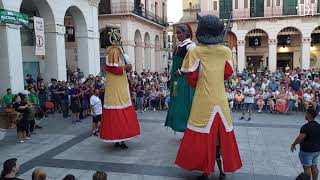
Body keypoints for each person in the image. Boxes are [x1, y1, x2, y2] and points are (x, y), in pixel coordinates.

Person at [175, 15, 242, 179]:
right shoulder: (226, 51)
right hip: (220, 99)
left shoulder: (195, 51)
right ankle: (222, 172)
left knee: (204, 137)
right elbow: (227, 73)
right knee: (220, 139)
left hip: (203, 101)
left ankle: (206, 171)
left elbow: (191, 77)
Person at [100, 32, 140, 149]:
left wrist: (127, 68)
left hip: (120, 85)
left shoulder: (118, 51)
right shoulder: (113, 51)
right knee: (117, 109)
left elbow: (118, 67)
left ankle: (121, 139)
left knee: (121, 108)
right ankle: (118, 139)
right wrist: (125, 68)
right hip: (116, 86)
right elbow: (113, 68)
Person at [165, 23, 196, 133]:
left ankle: (186, 128)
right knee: (175, 101)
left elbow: (193, 62)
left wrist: (181, 71)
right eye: (176, 33)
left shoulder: (191, 46)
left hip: (184, 80)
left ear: (186, 33)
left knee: (183, 104)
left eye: (179, 32)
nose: (177, 35)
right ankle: (178, 126)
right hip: (175, 81)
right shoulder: (180, 46)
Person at [291, 108, 320, 180]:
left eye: (306, 113)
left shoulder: (306, 127)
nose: (305, 115)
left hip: (307, 151)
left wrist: (293, 144)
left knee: (307, 168)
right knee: (314, 166)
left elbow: (300, 138)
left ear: (309, 115)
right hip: (316, 151)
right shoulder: (318, 125)